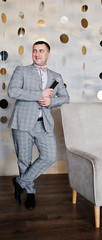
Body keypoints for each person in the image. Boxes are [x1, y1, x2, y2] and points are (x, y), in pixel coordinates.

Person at [7, 41, 70, 209]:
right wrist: (39, 94)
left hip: (44, 124)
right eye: (35, 50)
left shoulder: (56, 76)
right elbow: (12, 91)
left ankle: (20, 182)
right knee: (24, 161)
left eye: (41, 51)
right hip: (22, 123)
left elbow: (66, 98)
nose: (37, 54)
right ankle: (30, 192)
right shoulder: (22, 71)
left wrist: (50, 101)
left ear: (48, 54)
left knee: (49, 156)